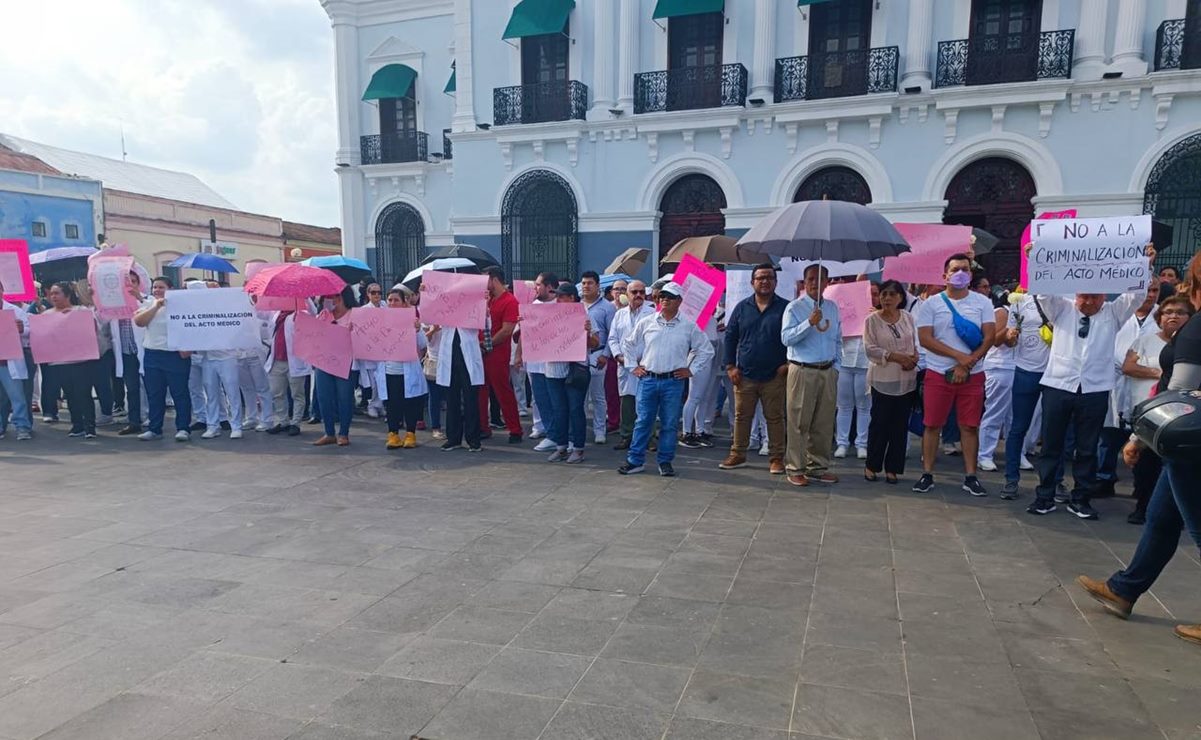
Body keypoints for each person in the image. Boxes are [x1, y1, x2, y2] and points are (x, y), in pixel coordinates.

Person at [1076, 252, 1201, 645]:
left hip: (1188, 442)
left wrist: (1137, 438)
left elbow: (1179, 397)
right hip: (1187, 444)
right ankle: (1125, 588)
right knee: (1163, 519)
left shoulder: (1197, 329)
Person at [1024, 243, 1155, 518]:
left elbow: (1135, 294)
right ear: (1076, 295)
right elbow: (1044, 291)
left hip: (1095, 389)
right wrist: (1036, 260)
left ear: (1103, 295)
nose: (1088, 302)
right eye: (1084, 296)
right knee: (1051, 445)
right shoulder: (1061, 310)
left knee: (1087, 447)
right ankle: (1045, 495)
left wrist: (1145, 263)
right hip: (1058, 385)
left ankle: (1081, 498)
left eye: (1095, 297)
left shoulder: (1113, 313)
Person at [913, 254, 995, 496]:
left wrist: (967, 364)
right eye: (956, 269)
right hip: (939, 372)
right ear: (945, 276)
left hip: (973, 374)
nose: (961, 273)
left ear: (971, 275)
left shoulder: (983, 303)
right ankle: (927, 473)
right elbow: (926, 338)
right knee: (932, 425)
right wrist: (959, 357)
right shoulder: (931, 304)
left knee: (969, 426)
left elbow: (989, 337)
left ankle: (971, 476)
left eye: (965, 269)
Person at [618, 281, 714, 477]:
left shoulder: (688, 326)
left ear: (679, 301)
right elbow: (628, 344)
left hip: (673, 381)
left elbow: (706, 350)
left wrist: (691, 369)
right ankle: (635, 460)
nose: (664, 300)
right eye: (661, 297)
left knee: (669, 423)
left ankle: (665, 461)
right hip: (649, 379)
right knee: (643, 421)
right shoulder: (647, 322)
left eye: (669, 297)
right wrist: (632, 367)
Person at [1120, 294, 1193, 523]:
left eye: (1180, 313)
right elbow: (1129, 366)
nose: (1173, 316)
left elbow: (1180, 386)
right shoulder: (1149, 341)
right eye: (1168, 312)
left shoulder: (1191, 343)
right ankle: (1144, 507)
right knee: (1146, 467)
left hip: (1182, 417)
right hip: (1152, 413)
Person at [720, 264, 788, 475]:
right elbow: (730, 337)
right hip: (745, 374)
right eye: (760, 278)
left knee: (775, 418)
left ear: (776, 282)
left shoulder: (786, 307)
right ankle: (738, 454)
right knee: (742, 417)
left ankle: (777, 458)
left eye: (769, 277)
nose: (765, 281)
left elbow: (793, 338)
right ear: (752, 283)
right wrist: (730, 365)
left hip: (775, 374)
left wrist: (788, 363)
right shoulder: (742, 307)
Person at [1096, 278, 1161, 498]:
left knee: (1143, 437)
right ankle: (1104, 479)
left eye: (1155, 290)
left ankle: (1141, 486)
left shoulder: (1162, 318)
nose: (1150, 295)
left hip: (1147, 384)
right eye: (1146, 290)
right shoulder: (1119, 314)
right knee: (1108, 436)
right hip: (1114, 381)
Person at [781, 264, 842, 487]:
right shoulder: (794, 308)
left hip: (827, 370)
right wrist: (809, 323)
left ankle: (817, 466)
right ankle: (795, 467)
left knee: (824, 422)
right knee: (799, 420)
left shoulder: (833, 308)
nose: (816, 283)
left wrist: (837, 367)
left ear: (827, 282)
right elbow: (786, 339)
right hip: (802, 370)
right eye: (811, 279)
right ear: (804, 283)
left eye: (820, 279)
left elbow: (838, 339)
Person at [1001, 288, 1058, 499]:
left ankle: (1055, 482)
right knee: (1018, 427)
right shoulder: (1020, 301)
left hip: (1057, 374)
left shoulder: (1068, 299)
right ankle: (1011, 479)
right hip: (1026, 371)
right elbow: (1009, 339)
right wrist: (1010, 337)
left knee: (1054, 431)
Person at [863, 279, 919, 484]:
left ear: (901, 297)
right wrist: (896, 357)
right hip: (883, 380)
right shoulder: (872, 320)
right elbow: (870, 349)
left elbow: (915, 343)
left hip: (906, 379)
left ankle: (893, 468)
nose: (887, 298)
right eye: (883, 294)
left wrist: (913, 358)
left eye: (892, 294)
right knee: (879, 424)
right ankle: (872, 465)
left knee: (899, 426)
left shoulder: (908, 318)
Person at [543, 283, 600, 464]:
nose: (558, 300)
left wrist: (587, 332)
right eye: (557, 296)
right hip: (553, 370)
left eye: (562, 296)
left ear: (572, 298)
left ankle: (578, 448)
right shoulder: (547, 315)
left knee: (575, 409)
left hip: (576, 370)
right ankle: (561, 446)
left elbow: (596, 343)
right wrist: (526, 324)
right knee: (559, 410)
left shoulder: (585, 314)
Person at [39, 282, 102, 439]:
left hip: (81, 361)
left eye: (57, 293)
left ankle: (90, 427)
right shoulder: (46, 315)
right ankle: (77, 425)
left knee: (84, 394)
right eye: (51, 294)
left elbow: (92, 328)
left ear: (67, 295)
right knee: (70, 395)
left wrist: (73, 317)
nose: (53, 296)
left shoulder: (81, 311)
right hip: (59, 363)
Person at [133, 277, 192, 441]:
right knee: (154, 393)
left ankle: (183, 428)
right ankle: (155, 428)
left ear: (170, 289)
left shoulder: (181, 307)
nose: (157, 290)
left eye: (161, 287)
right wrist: (155, 306)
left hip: (174, 355)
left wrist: (188, 348)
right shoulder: (148, 304)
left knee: (179, 393)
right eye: (155, 287)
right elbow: (139, 321)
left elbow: (190, 327)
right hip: (153, 354)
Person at [434, 284, 487, 453]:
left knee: (471, 399)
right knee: (452, 399)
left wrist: (483, 305)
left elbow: (485, 324)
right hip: (449, 356)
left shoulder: (473, 304)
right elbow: (432, 315)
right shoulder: (444, 305)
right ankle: (453, 438)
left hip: (468, 356)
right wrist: (427, 293)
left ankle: (473, 439)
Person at [975, 275, 1017, 473]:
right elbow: (994, 340)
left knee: (1015, 416)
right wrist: (1009, 332)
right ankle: (985, 454)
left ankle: (1016, 453)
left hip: (1019, 367)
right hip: (1000, 367)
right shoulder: (1002, 312)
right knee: (995, 412)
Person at [609, 279, 655, 451]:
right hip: (625, 366)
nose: (638, 295)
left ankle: (649, 438)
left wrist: (645, 360)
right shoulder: (619, 314)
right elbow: (613, 338)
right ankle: (626, 436)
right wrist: (618, 355)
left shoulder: (652, 314)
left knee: (646, 404)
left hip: (645, 365)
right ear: (626, 295)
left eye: (641, 292)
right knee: (627, 403)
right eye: (634, 292)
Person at [477, 266, 522, 443]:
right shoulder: (487, 300)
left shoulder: (510, 301)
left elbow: (506, 331)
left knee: (502, 391)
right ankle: (482, 427)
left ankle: (515, 429)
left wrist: (486, 345)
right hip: (482, 351)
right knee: (480, 391)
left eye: (484, 280)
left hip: (497, 353)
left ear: (493, 280)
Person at [380, 288, 428, 450]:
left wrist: (417, 329)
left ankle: (410, 433)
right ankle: (393, 434)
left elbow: (422, 344)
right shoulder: (380, 321)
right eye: (390, 300)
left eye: (396, 300)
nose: (393, 303)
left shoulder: (412, 320)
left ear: (403, 302)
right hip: (389, 369)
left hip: (407, 369)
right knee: (392, 403)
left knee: (410, 402)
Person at [834, 280, 875, 460]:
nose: (871, 297)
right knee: (844, 406)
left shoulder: (878, 315)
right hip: (844, 362)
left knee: (864, 406)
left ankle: (862, 444)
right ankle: (842, 443)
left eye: (875, 294)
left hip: (865, 364)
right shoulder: (842, 309)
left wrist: (877, 317)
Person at [312, 286, 357, 447]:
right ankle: (329, 432)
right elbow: (314, 336)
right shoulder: (323, 315)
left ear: (344, 296)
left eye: (337, 296)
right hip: (323, 362)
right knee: (324, 397)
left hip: (345, 362)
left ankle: (344, 433)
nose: (334, 299)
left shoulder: (354, 315)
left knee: (344, 397)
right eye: (329, 296)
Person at [263, 303, 310, 437]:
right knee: (277, 393)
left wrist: (300, 319)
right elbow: (261, 314)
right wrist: (254, 299)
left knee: (297, 394)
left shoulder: (302, 314)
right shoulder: (276, 313)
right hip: (277, 360)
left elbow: (310, 327)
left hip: (294, 361)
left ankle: (295, 423)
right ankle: (283, 421)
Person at [580, 271, 615, 445]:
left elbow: (612, 334)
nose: (586, 286)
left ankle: (600, 430)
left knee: (598, 396)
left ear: (597, 285)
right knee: (581, 396)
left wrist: (605, 355)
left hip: (597, 355)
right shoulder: (576, 305)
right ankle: (583, 429)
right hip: (578, 356)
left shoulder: (607, 307)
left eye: (590, 283)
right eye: (584, 283)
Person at [525, 272, 558, 448]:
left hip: (555, 364)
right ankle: (551, 434)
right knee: (541, 399)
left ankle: (560, 435)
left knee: (557, 401)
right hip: (535, 363)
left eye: (538, 285)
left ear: (549, 287)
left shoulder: (561, 305)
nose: (535, 288)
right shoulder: (533, 306)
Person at [112, 271, 145, 436]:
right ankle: (134, 422)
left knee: (151, 387)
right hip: (126, 352)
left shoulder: (147, 300)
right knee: (131, 389)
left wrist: (139, 298)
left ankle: (154, 419)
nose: (130, 285)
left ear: (138, 283)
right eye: (126, 282)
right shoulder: (113, 303)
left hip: (145, 351)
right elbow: (101, 319)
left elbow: (151, 309)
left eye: (133, 281)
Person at [0, 283, 33, 441]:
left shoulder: (15, 311)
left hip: (9, 362)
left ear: (2, 291)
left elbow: (30, 330)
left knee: (17, 397)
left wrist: (22, 329)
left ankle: (22, 427)